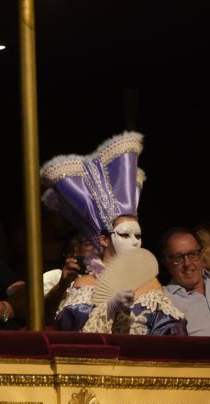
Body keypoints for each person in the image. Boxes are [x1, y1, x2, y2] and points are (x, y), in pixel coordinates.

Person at [40, 132, 186, 335]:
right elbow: (71, 336)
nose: (135, 242)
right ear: (104, 239)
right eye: (125, 235)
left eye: (138, 236)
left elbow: (173, 335)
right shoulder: (85, 285)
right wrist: (109, 307)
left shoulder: (150, 285)